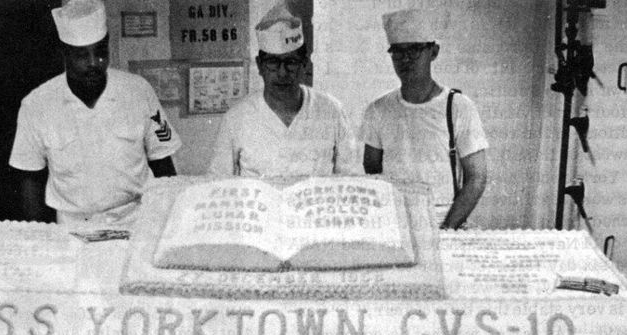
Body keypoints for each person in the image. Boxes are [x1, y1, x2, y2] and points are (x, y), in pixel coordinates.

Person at [9, 0, 180, 226]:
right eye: (81, 55)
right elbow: (30, 181)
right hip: (73, 228)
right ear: (65, 54)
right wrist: (43, 239)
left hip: (135, 220)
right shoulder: (36, 105)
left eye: (100, 51)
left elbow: (164, 164)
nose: (93, 63)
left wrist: (169, 222)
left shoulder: (139, 91)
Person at [361, 9, 488, 229]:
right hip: (396, 223)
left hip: (444, 218)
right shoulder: (378, 110)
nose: (405, 59)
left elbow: (476, 178)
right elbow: (373, 170)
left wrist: (447, 229)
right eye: (398, 52)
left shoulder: (458, 107)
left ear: (434, 51)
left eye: (415, 50)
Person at [208, 2, 362, 177]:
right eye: (273, 62)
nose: (282, 72)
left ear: (304, 64)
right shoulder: (236, 118)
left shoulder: (331, 111)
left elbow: (351, 178)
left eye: (291, 62)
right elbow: (218, 182)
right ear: (260, 65)